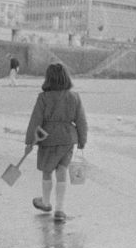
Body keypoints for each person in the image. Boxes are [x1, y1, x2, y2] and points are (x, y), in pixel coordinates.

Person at [24, 62, 88, 222]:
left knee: (47, 170)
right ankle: (60, 209)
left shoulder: (43, 97)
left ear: (48, 79)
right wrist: (82, 140)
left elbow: (35, 120)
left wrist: (29, 142)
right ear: (66, 78)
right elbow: (81, 121)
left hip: (47, 138)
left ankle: (46, 203)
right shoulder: (74, 97)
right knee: (62, 170)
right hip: (67, 139)